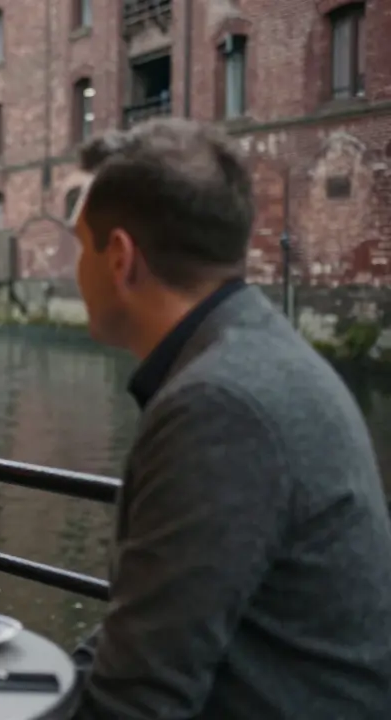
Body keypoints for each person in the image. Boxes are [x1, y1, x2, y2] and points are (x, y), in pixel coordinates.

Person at [67, 117, 391, 718]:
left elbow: (137, 703)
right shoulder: (258, 355)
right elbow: (152, 639)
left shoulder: (219, 408)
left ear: (119, 258)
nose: (74, 270)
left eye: (79, 245)